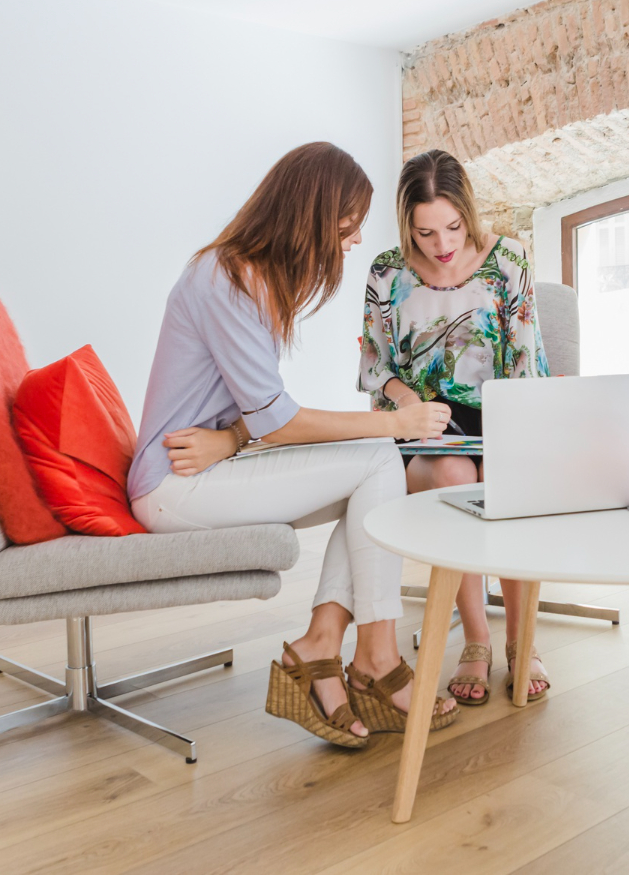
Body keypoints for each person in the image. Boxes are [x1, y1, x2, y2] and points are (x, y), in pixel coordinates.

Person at [127, 142, 458, 749]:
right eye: (349, 224)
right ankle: (371, 659)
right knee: (380, 457)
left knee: (371, 482)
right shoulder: (222, 279)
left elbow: (252, 414)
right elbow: (277, 419)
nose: (354, 240)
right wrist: (393, 423)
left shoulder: (248, 278)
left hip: (205, 470)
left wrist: (228, 438)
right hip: (173, 487)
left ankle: (326, 648)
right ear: (315, 212)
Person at [359, 149, 551, 706]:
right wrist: (408, 403)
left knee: (506, 481)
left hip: (505, 413)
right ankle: (476, 638)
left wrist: (516, 432)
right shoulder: (387, 272)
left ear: (467, 213)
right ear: (406, 225)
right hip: (424, 424)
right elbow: (376, 371)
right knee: (451, 476)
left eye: (452, 227)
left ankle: (524, 639)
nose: (441, 246)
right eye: (425, 233)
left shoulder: (508, 259)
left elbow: (525, 363)